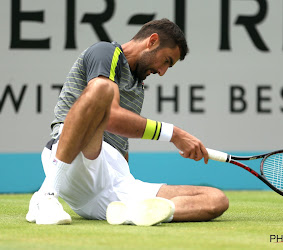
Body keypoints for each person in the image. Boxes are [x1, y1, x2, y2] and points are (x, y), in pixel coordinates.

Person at [26, 18, 229, 226]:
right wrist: (175, 134)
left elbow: (119, 145)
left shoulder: (138, 86)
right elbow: (111, 118)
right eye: (166, 60)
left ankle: (136, 214)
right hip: (76, 159)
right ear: (152, 41)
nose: (162, 72)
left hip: (118, 183)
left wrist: (125, 177)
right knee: (101, 90)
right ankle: (48, 194)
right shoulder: (105, 52)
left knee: (216, 199)